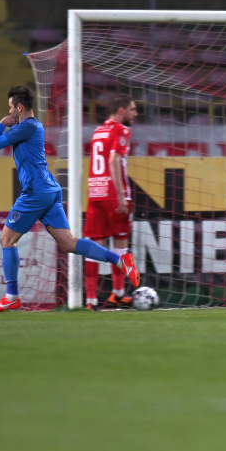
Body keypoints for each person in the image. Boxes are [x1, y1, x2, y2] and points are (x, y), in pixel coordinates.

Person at [0, 86, 138, 311]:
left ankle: (12, 296)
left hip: (35, 193)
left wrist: (0, 123)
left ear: (19, 107)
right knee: (68, 243)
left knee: (7, 240)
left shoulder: (26, 126)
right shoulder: (31, 126)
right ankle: (120, 260)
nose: (9, 112)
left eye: (10, 107)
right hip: (49, 190)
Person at [84, 94, 139, 310]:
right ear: (121, 110)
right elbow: (114, 160)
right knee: (120, 248)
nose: (136, 113)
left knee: (93, 249)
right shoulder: (122, 130)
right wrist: (119, 195)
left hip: (95, 194)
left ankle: (90, 300)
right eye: (133, 109)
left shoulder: (98, 131)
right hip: (114, 195)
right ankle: (118, 294)